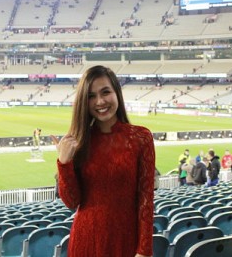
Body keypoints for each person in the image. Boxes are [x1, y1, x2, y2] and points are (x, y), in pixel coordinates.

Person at [52, 65, 155, 257]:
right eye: (91, 96)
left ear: (117, 92)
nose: (100, 101)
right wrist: (64, 163)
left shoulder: (141, 138)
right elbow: (72, 201)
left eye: (105, 92)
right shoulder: (79, 142)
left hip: (126, 239)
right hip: (86, 239)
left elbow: (146, 199)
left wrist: (144, 250)